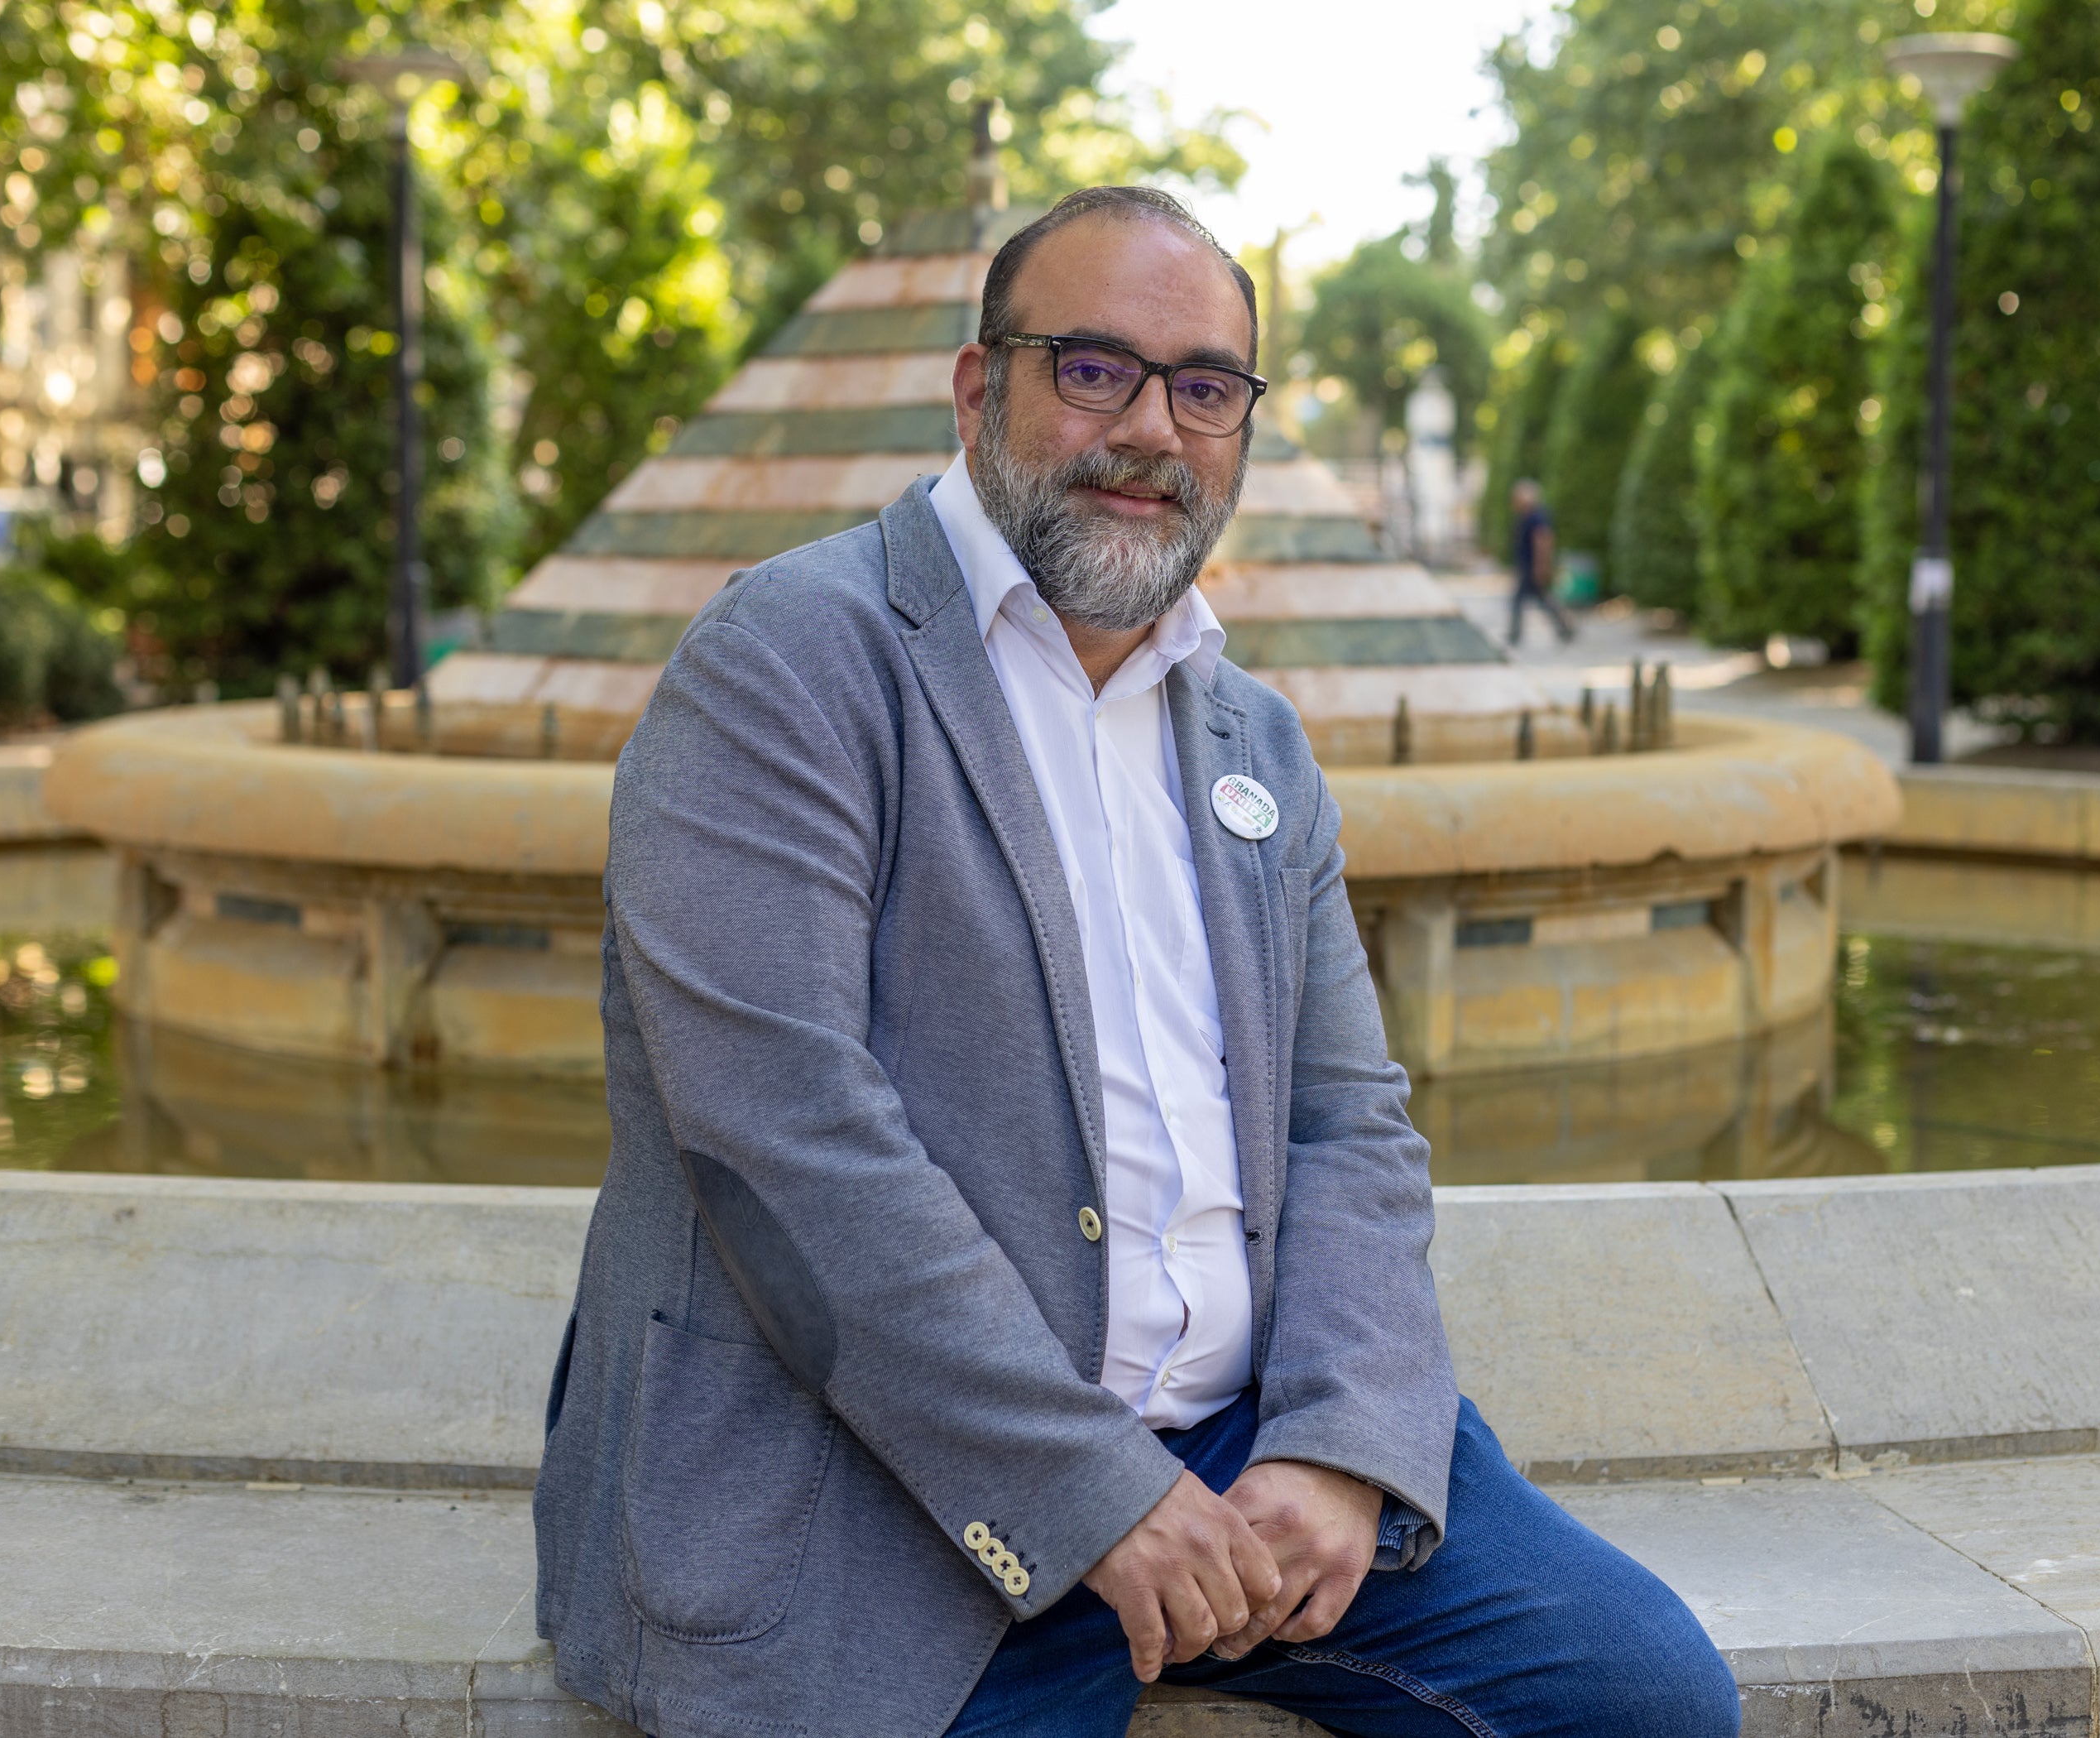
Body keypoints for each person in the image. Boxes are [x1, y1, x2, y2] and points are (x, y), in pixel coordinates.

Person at [532, 185, 1739, 1738]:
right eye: (1093, 368)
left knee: (1644, 1702)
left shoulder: (1253, 735)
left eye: (1204, 387)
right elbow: (784, 1141)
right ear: (981, 389)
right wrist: (1090, 1491)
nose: (1152, 429)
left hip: (1247, 1450)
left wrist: (1344, 1443)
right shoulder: (788, 662)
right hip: (883, 1496)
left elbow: (1346, 1124)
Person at [1508, 477, 1575, 647]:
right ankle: (1564, 627)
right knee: (1539, 600)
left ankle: (1515, 634)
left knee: (1527, 600)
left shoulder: (1537, 517)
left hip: (1533, 567)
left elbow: (1544, 541)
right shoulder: (1526, 516)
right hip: (1527, 565)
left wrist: (1542, 567)